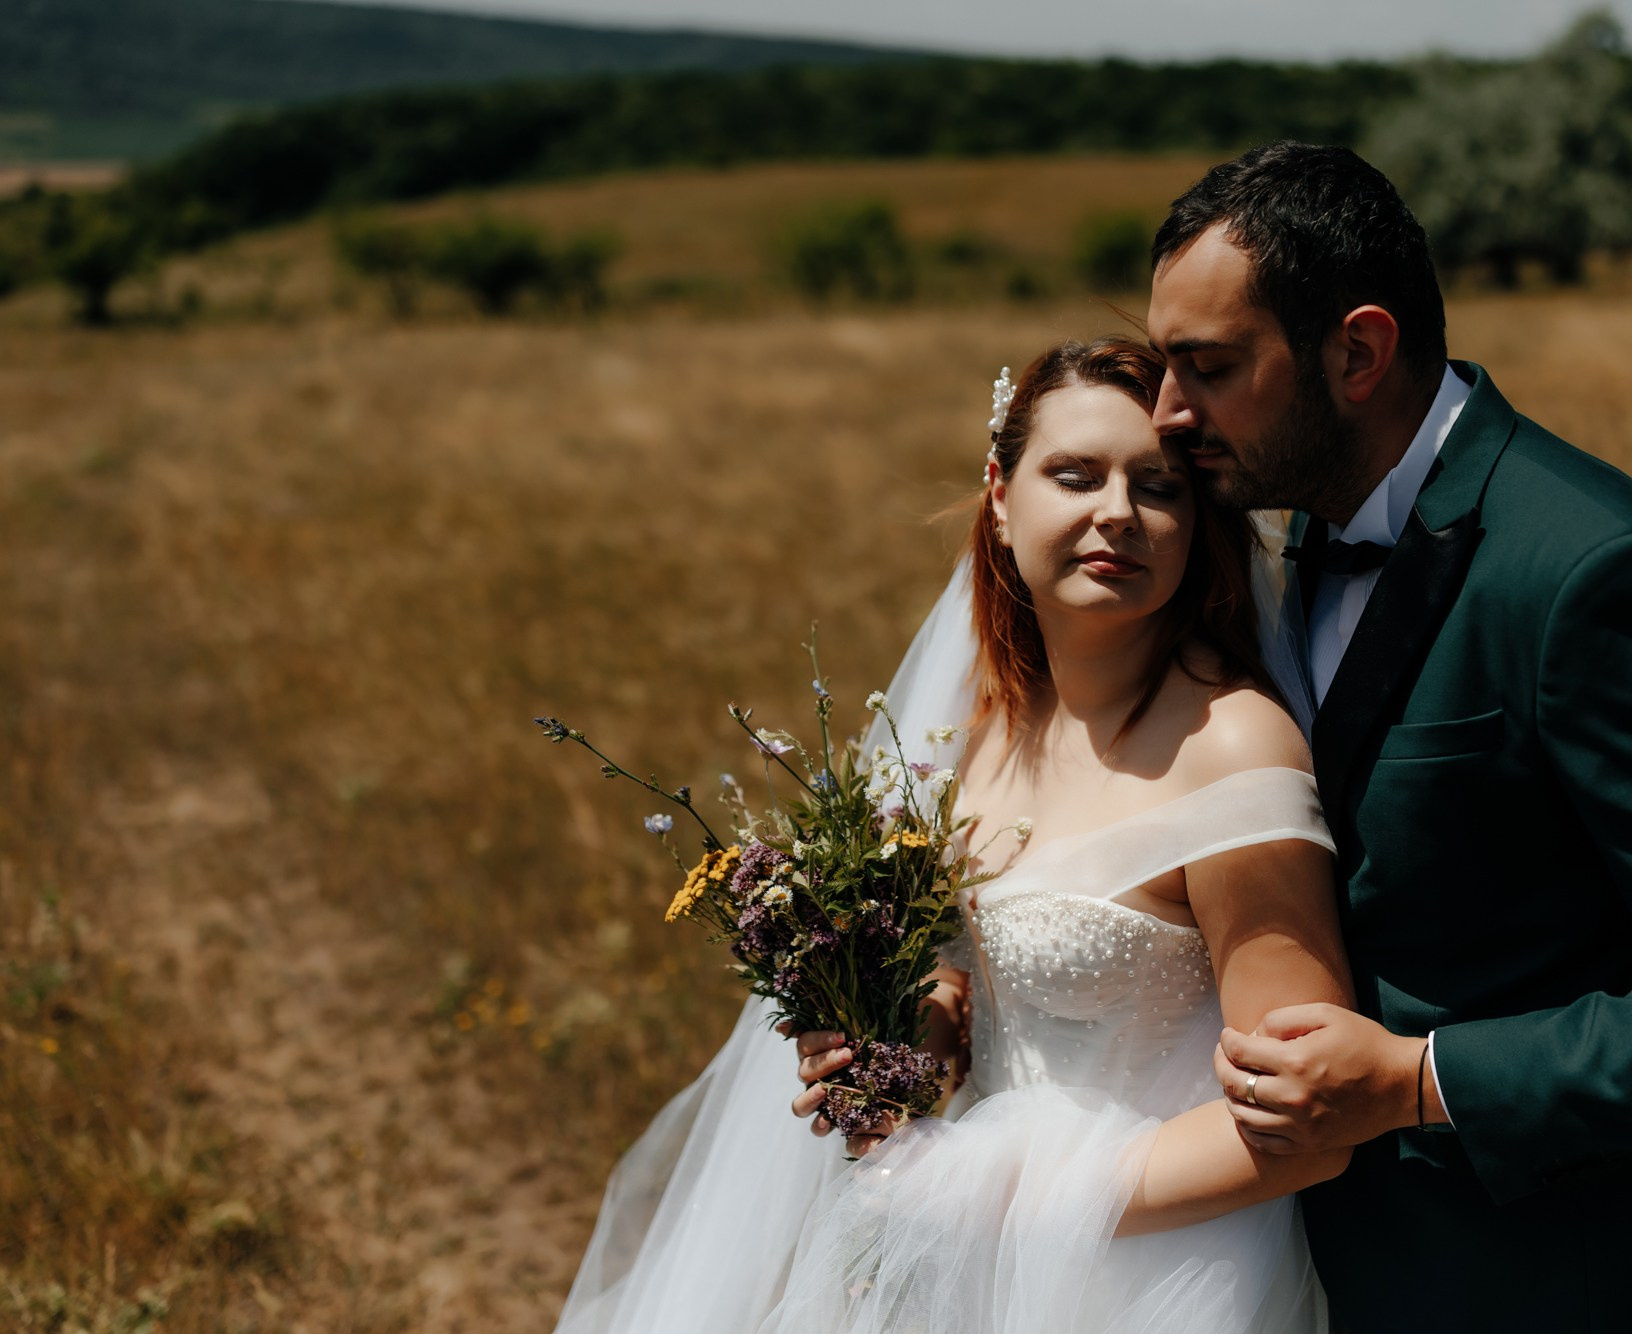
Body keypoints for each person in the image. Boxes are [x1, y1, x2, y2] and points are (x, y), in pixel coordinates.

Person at [1145, 142, 1632, 1331]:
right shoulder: (1264, 539)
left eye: (1208, 368)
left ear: (1357, 351)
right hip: (1271, 1259)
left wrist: (1416, 1079)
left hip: (1515, 1274)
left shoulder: (1587, 573)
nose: (1169, 415)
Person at [554, 337, 1363, 1334]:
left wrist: (1006, 1191)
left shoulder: (1227, 743)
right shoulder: (975, 736)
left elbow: (1306, 1129)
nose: (1117, 511)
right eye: (1074, 473)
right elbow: (971, 985)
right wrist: (894, 1045)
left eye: (1158, 486)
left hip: (1156, 1270)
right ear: (999, 491)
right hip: (969, 1256)